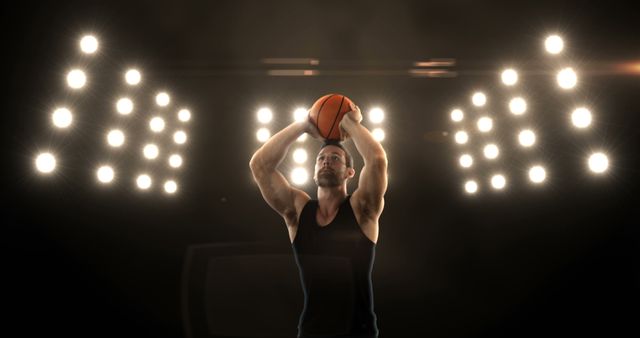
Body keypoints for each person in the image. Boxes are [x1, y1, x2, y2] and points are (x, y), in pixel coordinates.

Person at [249, 102, 388, 338]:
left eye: (335, 159)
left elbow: (376, 159)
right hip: (312, 331)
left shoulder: (361, 208)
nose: (326, 161)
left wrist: (350, 124)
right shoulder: (298, 211)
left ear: (349, 172)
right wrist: (303, 125)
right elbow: (259, 165)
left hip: (358, 332)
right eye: (321, 158)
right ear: (314, 171)